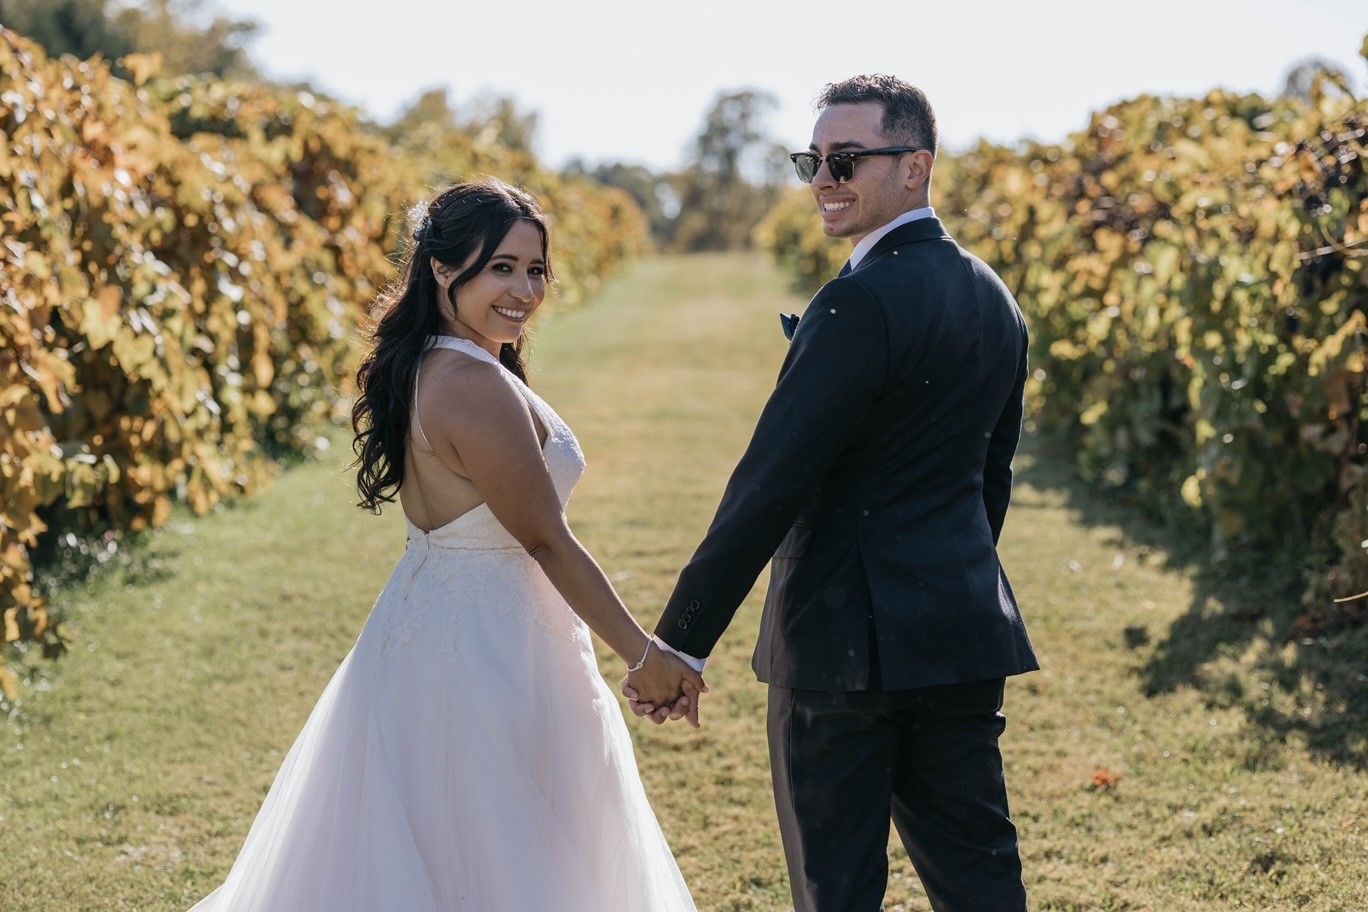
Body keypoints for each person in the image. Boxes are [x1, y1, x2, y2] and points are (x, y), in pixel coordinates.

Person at [188, 179, 702, 911]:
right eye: (501, 267)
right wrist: (646, 658)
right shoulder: (470, 382)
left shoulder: (441, 363)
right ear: (440, 267)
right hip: (484, 650)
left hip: (452, 627)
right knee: (494, 848)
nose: (523, 289)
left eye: (535, 270)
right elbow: (547, 541)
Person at [625, 75, 1039, 912]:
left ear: (916, 166)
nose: (822, 180)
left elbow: (770, 484)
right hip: (959, 632)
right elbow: (988, 481)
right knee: (982, 881)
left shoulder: (856, 302)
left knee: (836, 890)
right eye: (810, 159)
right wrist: (944, 578)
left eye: (845, 159)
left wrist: (681, 643)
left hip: (837, 650)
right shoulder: (997, 298)